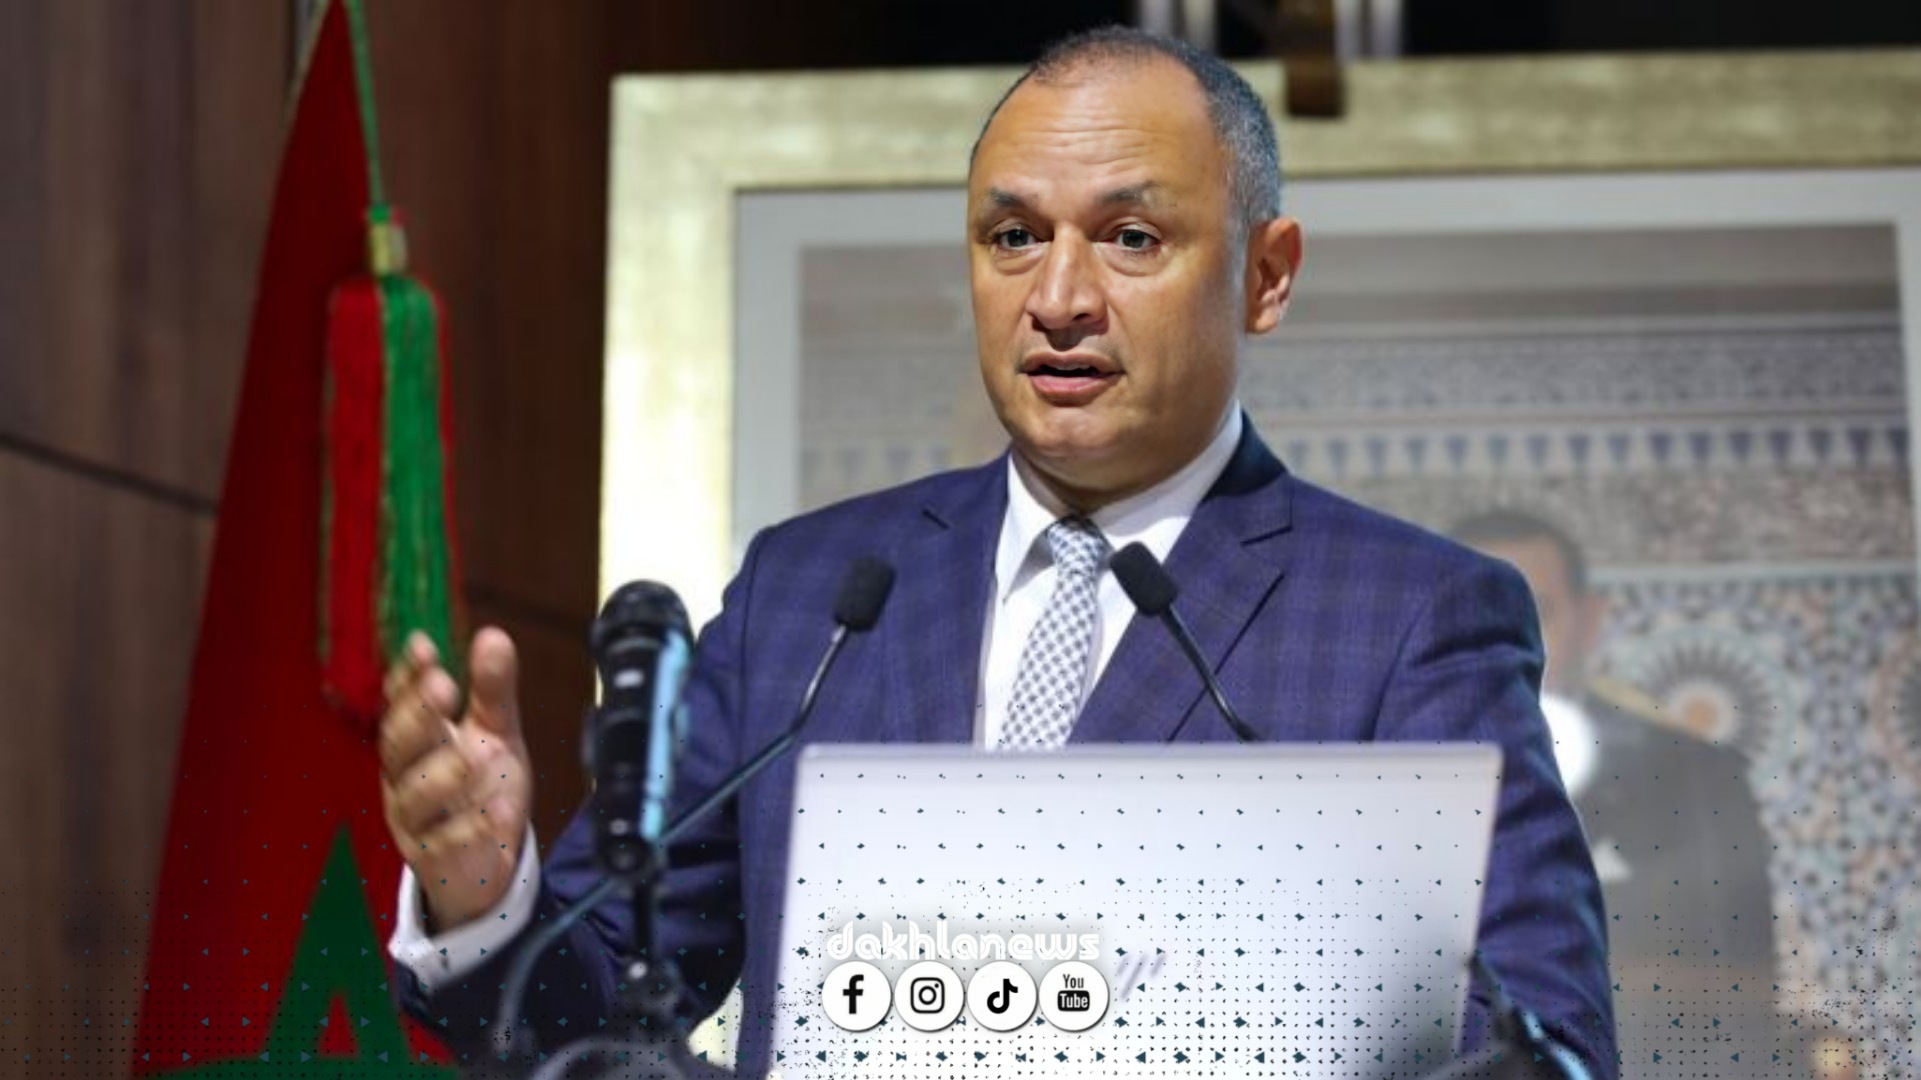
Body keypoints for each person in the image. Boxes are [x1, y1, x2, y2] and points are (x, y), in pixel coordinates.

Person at [379, 27, 1614, 1079]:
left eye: (1131, 238)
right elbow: (587, 1019)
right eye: (1013, 236)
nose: (1058, 298)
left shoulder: (1410, 621)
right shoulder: (811, 597)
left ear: (1266, 275)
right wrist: (487, 897)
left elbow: (1541, 1044)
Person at [1452, 510, 1776, 1066]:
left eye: (1536, 613)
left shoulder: (1697, 780)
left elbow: (1745, 993)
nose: (1504, 644)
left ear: (1588, 622)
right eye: (1473, 616)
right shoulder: (1387, 778)